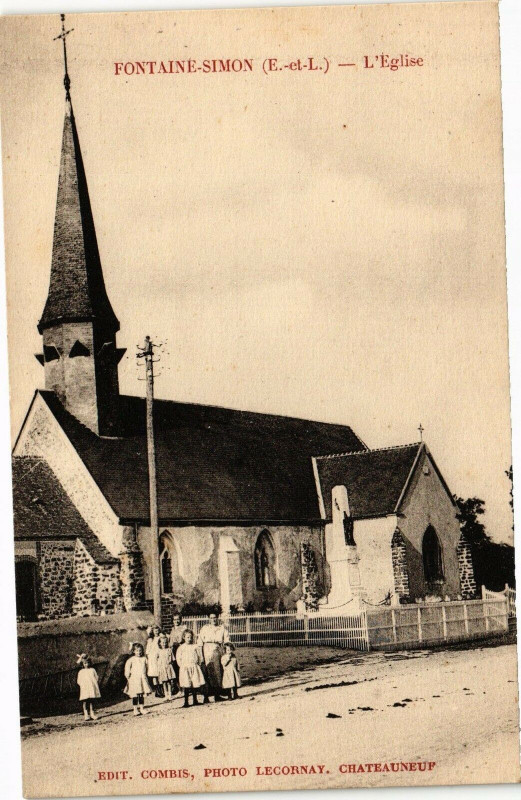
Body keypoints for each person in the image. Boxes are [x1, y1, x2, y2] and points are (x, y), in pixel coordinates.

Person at [197, 612, 227, 701]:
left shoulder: (221, 628)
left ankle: (217, 695)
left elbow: (226, 641)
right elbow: (200, 643)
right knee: (207, 672)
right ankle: (206, 696)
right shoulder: (205, 628)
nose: (213, 619)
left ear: (217, 618)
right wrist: (201, 656)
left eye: (215, 617)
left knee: (217, 672)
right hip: (206, 650)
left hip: (217, 650)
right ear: (209, 619)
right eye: (211, 618)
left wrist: (225, 652)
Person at [176, 629, 208, 707]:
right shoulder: (181, 647)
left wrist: (198, 664)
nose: (189, 639)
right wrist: (182, 666)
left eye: (191, 637)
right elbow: (178, 658)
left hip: (194, 666)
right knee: (186, 684)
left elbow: (199, 656)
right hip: (185, 668)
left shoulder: (195, 646)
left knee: (194, 683)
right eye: (187, 637)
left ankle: (195, 700)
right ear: (184, 637)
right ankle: (186, 702)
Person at [124, 642, 152, 715]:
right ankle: (135, 709)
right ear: (133, 651)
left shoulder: (144, 659)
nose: (139, 652)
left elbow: (147, 667)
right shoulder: (131, 660)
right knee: (135, 695)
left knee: (141, 694)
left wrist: (147, 674)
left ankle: (142, 708)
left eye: (140, 650)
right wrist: (128, 676)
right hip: (134, 679)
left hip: (142, 678)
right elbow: (127, 669)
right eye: (137, 651)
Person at [168, 613, 190, 693]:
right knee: (175, 669)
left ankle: (185, 688)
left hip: (181, 649)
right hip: (173, 650)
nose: (176, 621)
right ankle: (180, 689)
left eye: (178, 619)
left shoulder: (183, 628)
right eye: (174, 619)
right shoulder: (172, 629)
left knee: (182, 668)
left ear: (180, 620)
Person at [76, 654, 100, 721]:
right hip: (85, 689)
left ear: (90, 663)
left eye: (87, 663)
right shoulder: (81, 672)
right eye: (85, 663)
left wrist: (92, 684)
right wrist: (84, 686)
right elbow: (79, 681)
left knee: (92, 701)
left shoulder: (92, 670)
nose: (86, 664)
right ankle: (86, 715)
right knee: (85, 701)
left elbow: (96, 678)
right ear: (82, 664)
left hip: (92, 688)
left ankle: (92, 714)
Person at [156, 633, 175, 700]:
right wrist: (159, 667)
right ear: (160, 643)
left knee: (169, 681)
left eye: (166, 642)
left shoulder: (169, 650)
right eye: (163, 643)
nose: (164, 644)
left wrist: (169, 664)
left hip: (168, 667)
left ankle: (170, 694)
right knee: (164, 682)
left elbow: (172, 659)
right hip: (162, 668)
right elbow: (156, 659)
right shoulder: (159, 651)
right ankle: (166, 694)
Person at [145, 625, 162, 697]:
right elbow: (148, 650)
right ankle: (157, 690)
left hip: (159, 656)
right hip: (152, 657)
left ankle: (161, 689)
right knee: (154, 674)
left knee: (160, 673)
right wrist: (148, 657)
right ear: (152, 632)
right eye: (155, 631)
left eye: (157, 630)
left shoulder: (161, 638)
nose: (156, 632)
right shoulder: (150, 640)